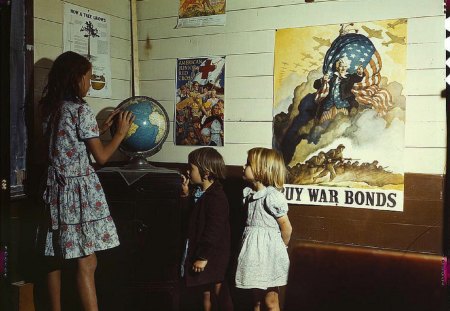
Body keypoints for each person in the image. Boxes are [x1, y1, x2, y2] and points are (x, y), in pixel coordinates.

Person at [39, 51, 135, 311]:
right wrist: (120, 134)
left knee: (55, 254)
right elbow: (102, 157)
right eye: (88, 78)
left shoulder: (51, 108)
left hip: (55, 190)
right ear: (76, 78)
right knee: (87, 260)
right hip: (78, 191)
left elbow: (66, 144)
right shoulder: (81, 110)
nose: (90, 83)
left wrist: (99, 131)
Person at [236, 147, 293, 311]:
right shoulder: (249, 194)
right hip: (252, 256)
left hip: (269, 256)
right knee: (256, 302)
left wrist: (280, 248)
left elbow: (286, 227)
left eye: (248, 164)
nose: (243, 166)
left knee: (271, 301)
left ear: (261, 170)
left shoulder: (271, 196)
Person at [180, 147, 232, 311]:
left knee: (219, 292)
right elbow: (189, 218)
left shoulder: (216, 197)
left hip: (212, 254)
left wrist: (203, 256)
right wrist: (185, 195)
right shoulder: (199, 193)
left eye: (192, 168)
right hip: (200, 250)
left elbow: (214, 230)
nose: (188, 172)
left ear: (207, 173)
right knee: (205, 293)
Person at [313, 57, 365, 124]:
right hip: (328, 108)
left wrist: (360, 73)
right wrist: (322, 80)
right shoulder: (331, 78)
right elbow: (315, 85)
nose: (343, 68)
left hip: (343, 107)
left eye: (345, 66)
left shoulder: (349, 78)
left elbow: (357, 78)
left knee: (340, 126)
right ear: (337, 67)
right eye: (341, 66)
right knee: (323, 127)